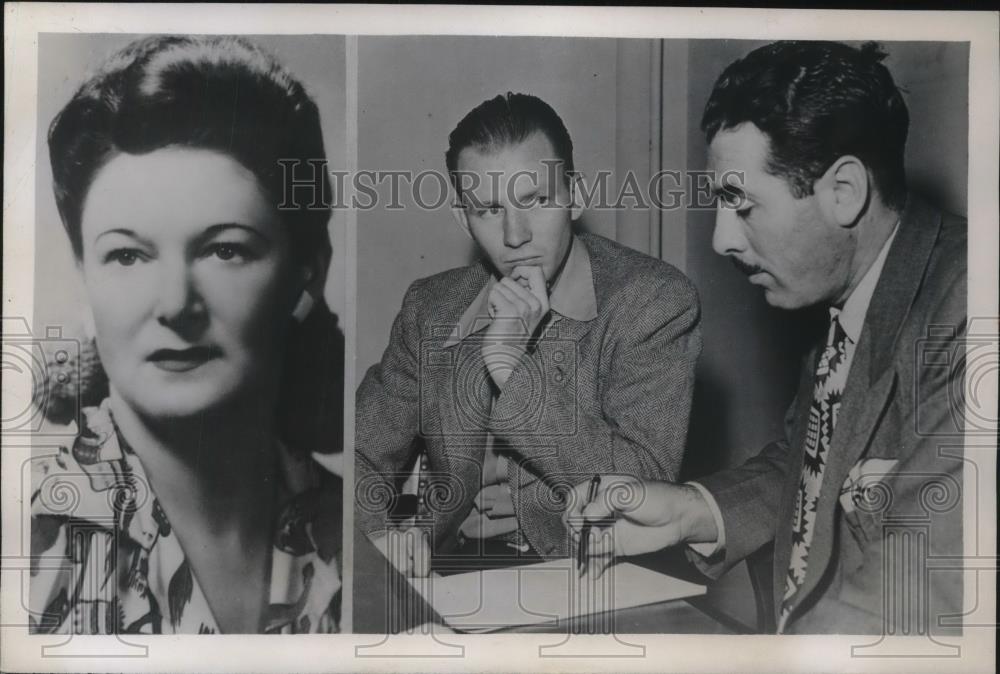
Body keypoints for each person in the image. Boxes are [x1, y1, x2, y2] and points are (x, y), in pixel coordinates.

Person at [566, 41, 966, 635]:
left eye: (741, 204)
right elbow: (813, 469)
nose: (721, 240)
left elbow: (919, 602)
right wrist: (692, 510)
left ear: (844, 191)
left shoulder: (970, 306)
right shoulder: (846, 301)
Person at [30, 35, 343, 634]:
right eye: (126, 256)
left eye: (225, 249)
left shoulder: (360, 538)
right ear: (83, 276)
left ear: (309, 267)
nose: (176, 304)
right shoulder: (25, 543)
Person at [355, 92, 702, 575]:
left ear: (574, 195)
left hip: (595, 573)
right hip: (453, 570)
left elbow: (640, 483)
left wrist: (513, 371)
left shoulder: (652, 301)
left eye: (535, 199)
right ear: (463, 219)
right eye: (489, 210)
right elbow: (360, 447)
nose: (515, 235)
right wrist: (376, 538)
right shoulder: (430, 307)